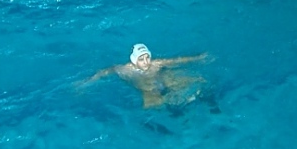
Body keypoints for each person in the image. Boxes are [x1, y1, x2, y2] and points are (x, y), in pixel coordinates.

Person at [80, 44, 213, 110]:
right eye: (141, 59)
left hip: (163, 80)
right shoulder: (126, 69)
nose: (145, 62)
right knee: (152, 106)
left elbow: (177, 60)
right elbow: (104, 72)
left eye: (147, 57)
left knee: (195, 81)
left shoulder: (156, 64)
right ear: (134, 60)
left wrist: (198, 58)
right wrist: (86, 83)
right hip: (148, 90)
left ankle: (197, 98)